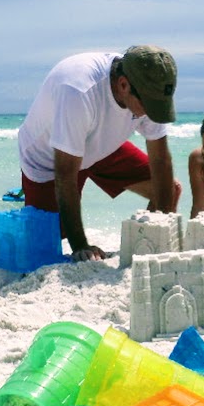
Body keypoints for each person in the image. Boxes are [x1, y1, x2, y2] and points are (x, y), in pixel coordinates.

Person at [18, 45, 182, 261]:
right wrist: (81, 246)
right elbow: (66, 175)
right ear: (123, 84)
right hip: (49, 158)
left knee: (168, 190)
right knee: (43, 247)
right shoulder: (78, 91)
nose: (151, 113)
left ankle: (146, 245)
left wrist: (161, 232)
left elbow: (160, 160)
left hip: (99, 143)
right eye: (148, 106)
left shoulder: (148, 87)